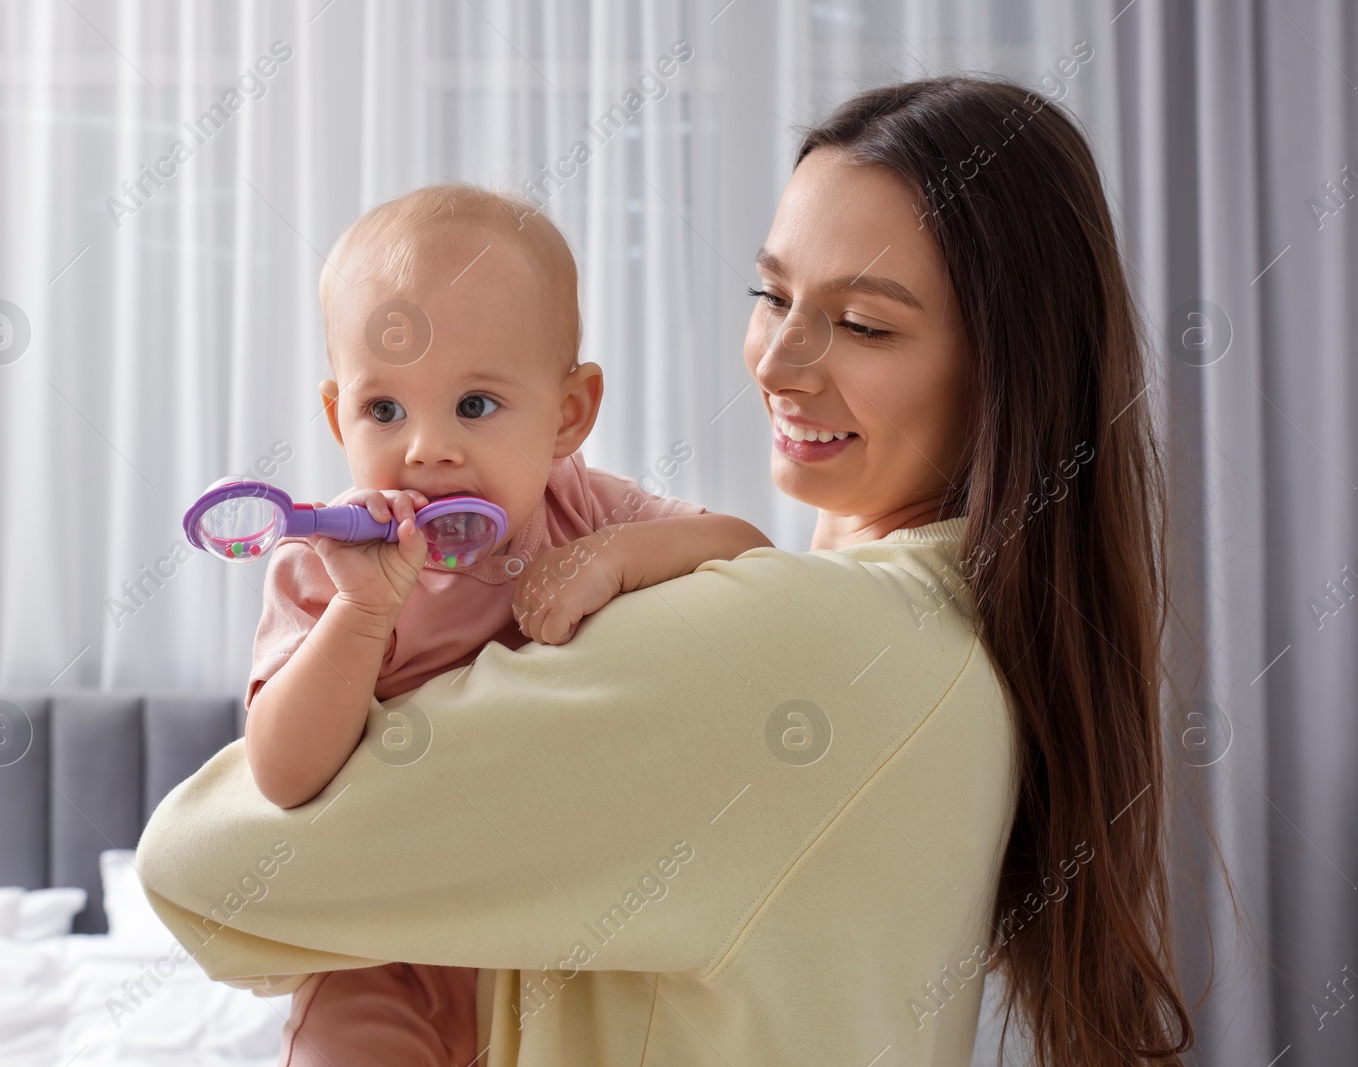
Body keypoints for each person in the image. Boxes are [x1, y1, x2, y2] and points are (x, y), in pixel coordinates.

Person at [136, 75, 1195, 1066]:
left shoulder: (798, 638)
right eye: (770, 294)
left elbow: (205, 865)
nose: (777, 362)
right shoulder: (948, 651)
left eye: (864, 323)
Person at [247, 183, 771, 1066]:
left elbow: (749, 555)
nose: (426, 448)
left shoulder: (593, 512)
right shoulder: (326, 564)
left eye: (476, 405)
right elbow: (282, 774)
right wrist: (363, 612)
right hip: (380, 954)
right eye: (385, 410)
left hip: (561, 948)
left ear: (569, 415)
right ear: (339, 418)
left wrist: (617, 559)